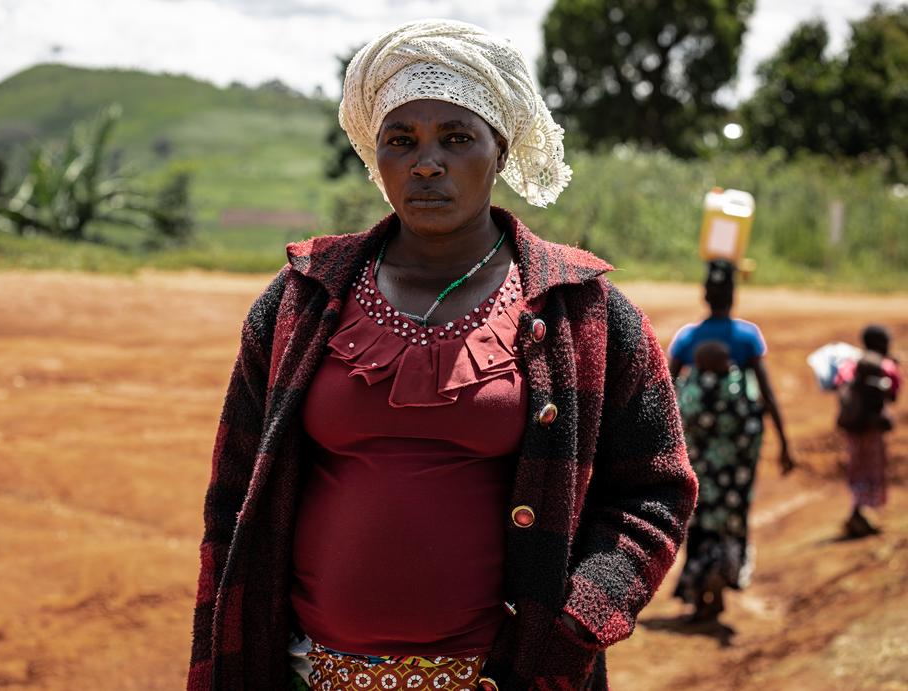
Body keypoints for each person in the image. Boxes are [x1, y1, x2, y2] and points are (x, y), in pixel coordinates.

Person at [188, 19, 697, 691]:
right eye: (402, 141)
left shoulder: (586, 313)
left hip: (507, 678)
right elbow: (233, 497)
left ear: (501, 150)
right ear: (378, 159)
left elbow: (655, 490)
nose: (428, 162)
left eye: (457, 138)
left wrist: (575, 621)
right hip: (311, 674)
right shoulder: (300, 300)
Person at [668, 259, 794, 621]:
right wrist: (785, 441)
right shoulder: (747, 336)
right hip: (740, 448)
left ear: (705, 294)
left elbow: (665, 389)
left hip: (698, 447)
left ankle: (700, 585)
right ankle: (722, 579)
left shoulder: (688, 337)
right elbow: (766, 392)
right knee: (733, 512)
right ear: (733, 295)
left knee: (699, 512)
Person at [835, 325, 900, 537]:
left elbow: (839, 385)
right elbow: (893, 394)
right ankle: (859, 513)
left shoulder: (851, 363)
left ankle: (858, 512)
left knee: (857, 466)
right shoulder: (886, 365)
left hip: (853, 427)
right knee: (872, 469)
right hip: (873, 429)